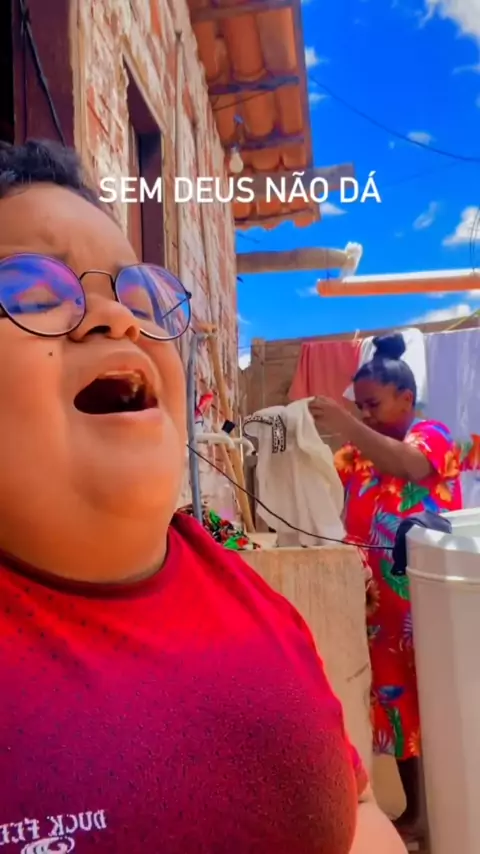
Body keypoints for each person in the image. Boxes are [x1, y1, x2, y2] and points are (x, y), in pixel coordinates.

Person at [0, 139, 405, 854]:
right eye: (34, 292)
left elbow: (358, 805)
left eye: (141, 296)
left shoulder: (261, 610)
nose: (118, 318)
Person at [309, 332, 462, 844]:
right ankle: (418, 812)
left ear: (406, 398)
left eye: (373, 405)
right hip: (381, 611)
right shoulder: (358, 454)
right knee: (398, 711)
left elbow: (408, 465)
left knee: (441, 703)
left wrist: (348, 423)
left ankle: (451, 807)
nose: (366, 415)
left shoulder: (432, 436)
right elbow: (319, 482)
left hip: (429, 604)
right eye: (361, 406)